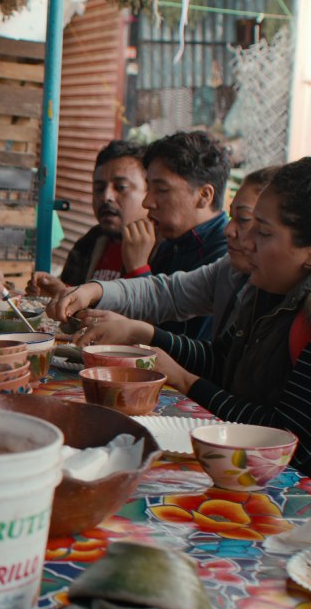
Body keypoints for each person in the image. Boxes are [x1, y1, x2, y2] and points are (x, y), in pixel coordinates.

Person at [100, 158, 311, 474]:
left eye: (263, 232)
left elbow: (288, 441)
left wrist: (184, 379)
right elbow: (221, 361)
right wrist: (147, 335)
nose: (247, 241)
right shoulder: (265, 289)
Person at [50, 166, 278, 343]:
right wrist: (93, 290)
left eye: (161, 189)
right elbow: (165, 292)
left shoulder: (222, 252)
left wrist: (142, 331)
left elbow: (206, 359)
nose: (148, 202)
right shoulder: (228, 268)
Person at [135, 130, 231, 340]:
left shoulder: (227, 255)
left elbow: (189, 351)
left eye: (161, 190)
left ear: (204, 196)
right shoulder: (171, 241)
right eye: (148, 188)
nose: (147, 202)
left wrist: (139, 269)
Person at [28, 140, 150, 297]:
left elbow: (152, 318)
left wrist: (138, 271)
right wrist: (60, 292)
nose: (106, 197)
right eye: (99, 188)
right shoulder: (88, 244)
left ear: (149, 192)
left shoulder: (164, 251)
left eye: (121, 187)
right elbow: (77, 309)